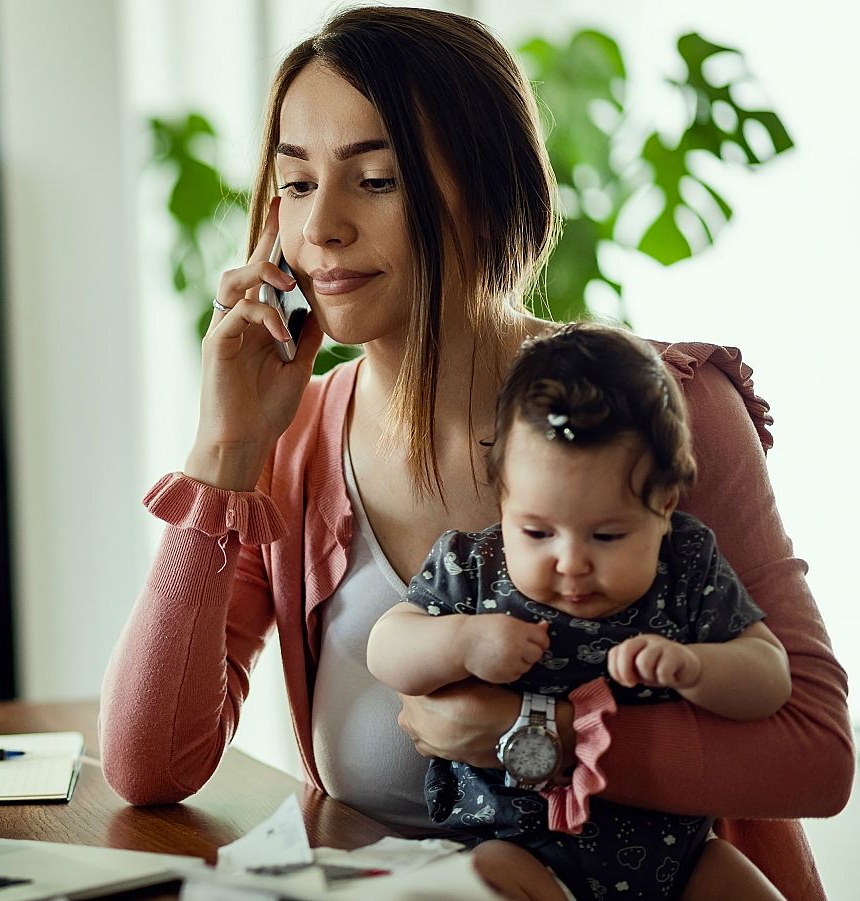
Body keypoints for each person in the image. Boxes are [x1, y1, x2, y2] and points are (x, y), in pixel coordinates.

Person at [97, 7, 852, 900]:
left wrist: (536, 729)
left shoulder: (667, 408)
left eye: (374, 180)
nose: (323, 227)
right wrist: (224, 445)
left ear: (488, 191)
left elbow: (814, 755)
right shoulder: (293, 441)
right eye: (295, 186)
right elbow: (147, 767)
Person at [366, 323, 787, 901]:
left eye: (607, 536)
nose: (570, 562)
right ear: (504, 497)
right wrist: (462, 641)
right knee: (483, 879)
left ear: (664, 508)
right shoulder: (476, 567)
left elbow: (769, 677)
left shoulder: (685, 566)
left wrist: (700, 668)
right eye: (537, 531)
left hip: (679, 862)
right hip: (516, 848)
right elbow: (386, 647)